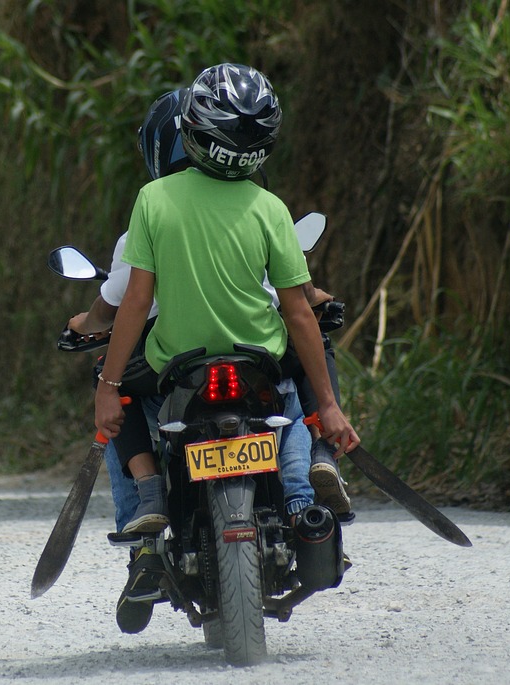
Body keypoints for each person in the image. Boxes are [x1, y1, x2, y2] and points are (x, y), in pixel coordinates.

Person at [92, 64, 360, 631]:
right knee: (288, 404)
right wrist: (331, 406)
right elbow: (298, 311)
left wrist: (108, 388)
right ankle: (297, 500)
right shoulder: (269, 209)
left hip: (176, 367)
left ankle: (146, 515)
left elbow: (133, 304)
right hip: (257, 361)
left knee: (126, 416)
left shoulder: (153, 200)